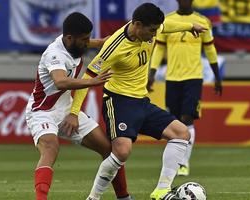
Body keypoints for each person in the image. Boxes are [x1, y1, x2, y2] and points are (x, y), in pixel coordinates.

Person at [65, 3, 208, 200]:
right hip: (118, 101)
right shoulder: (114, 47)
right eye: (152, 30)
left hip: (141, 101)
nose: (155, 34)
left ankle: (162, 191)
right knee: (122, 151)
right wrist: (74, 112)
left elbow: (168, 26)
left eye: (156, 29)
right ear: (138, 25)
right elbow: (88, 77)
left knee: (182, 133)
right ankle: (93, 198)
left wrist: (190, 26)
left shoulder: (150, 30)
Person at [25, 12, 132, 200]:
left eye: (88, 38)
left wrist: (102, 42)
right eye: (84, 39)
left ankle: (124, 197)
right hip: (43, 112)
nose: (87, 42)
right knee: (51, 147)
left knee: (109, 150)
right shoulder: (54, 55)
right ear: (69, 38)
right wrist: (93, 82)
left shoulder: (72, 42)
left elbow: (89, 43)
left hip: (67, 109)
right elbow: (60, 82)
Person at [147, 0, 222, 177]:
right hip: (172, 77)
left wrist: (217, 76)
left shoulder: (203, 21)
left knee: (187, 118)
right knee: (174, 122)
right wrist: (152, 73)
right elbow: (159, 50)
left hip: (194, 77)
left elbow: (210, 50)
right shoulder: (168, 21)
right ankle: (175, 162)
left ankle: (183, 163)